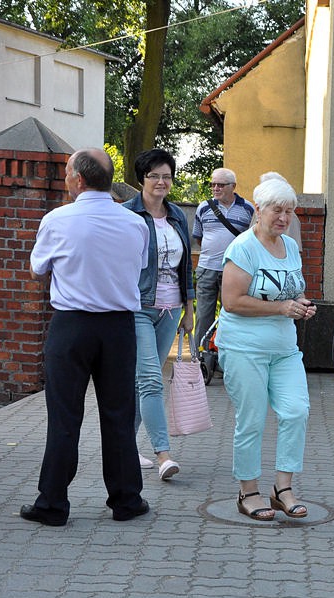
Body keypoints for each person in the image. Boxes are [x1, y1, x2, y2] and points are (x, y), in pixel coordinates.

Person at [20, 148, 150, 526]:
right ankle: (127, 500)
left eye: (66, 173)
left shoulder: (57, 219)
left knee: (64, 415)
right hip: (119, 327)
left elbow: (37, 270)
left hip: (71, 325)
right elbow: (138, 267)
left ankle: (53, 504)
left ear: (78, 179)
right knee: (119, 416)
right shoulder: (135, 224)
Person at [218, 173, 315, 521]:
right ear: (258, 210)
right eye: (277, 210)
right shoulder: (242, 248)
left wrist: (301, 304)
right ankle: (248, 491)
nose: (284, 218)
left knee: (296, 411)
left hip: (284, 348)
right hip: (244, 348)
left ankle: (282, 489)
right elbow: (231, 301)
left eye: (289, 211)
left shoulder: (289, 246)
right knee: (253, 420)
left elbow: (291, 289)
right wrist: (281, 308)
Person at [123, 149, 194, 480]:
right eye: (155, 176)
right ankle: (164, 454)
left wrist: (189, 308)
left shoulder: (178, 215)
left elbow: (186, 267)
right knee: (150, 379)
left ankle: (122, 446)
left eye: (167, 175)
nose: (162, 181)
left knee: (144, 385)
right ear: (142, 179)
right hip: (138, 307)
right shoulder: (127, 215)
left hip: (171, 309)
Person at [192, 167, 254, 351]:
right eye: (213, 184)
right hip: (207, 269)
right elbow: (199, 238)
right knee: (203, 316)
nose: (215, 188)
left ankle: (226, 357)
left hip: (235, 272)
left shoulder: (248, 209)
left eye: (221, 185)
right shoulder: (203, 207)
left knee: (232, 316)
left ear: (233, 186)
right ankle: (200, 359)